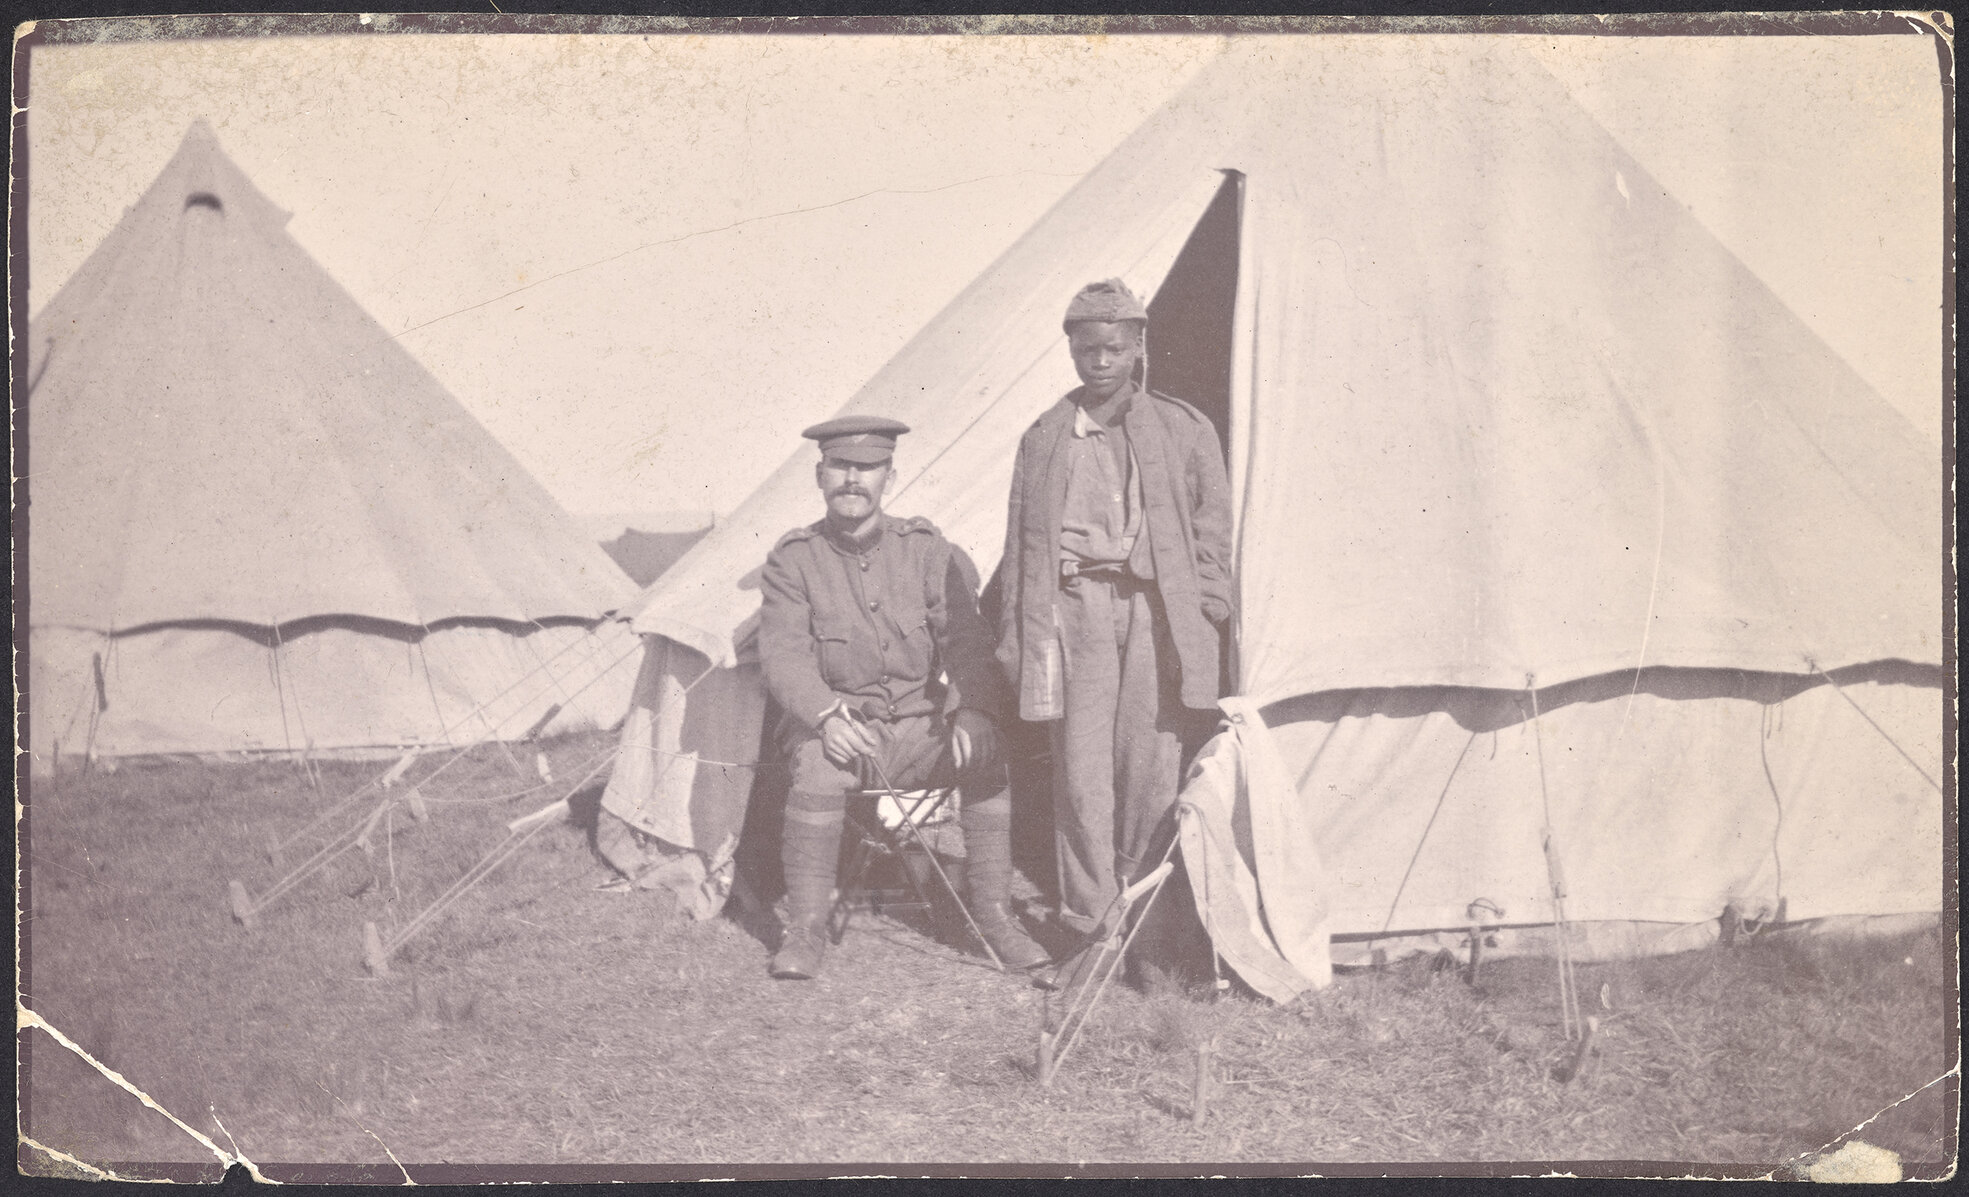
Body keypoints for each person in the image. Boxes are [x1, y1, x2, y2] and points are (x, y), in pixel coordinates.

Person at [758, 414, 1053, 981]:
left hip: (919, 728)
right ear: (820, 475)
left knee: (986, 754)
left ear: (889, 478)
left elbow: (966, 641)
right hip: (843, 729)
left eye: (868, 468)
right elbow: (783, 656)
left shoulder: (925, 550)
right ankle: (806, 929)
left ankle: (995, 917)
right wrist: (826, 717)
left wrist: (973, 709)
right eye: (840, 466)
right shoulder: (794, 559)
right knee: (817, 768)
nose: (853, 479)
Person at [996, 279, 1233, 984]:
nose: (1100, 361)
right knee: (1080, 778)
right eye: (1086, 349)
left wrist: (1206, 608)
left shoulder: (1184, 428)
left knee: (1151, 772)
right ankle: (1089, 933)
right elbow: (1020, 545)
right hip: (1075, 613)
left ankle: (1147, 935)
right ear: (1071, 350)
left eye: (1114, 348)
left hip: (1156, 617)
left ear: (1138, 347)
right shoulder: (1045, 436)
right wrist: (1020, 635)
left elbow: (1212, 528)